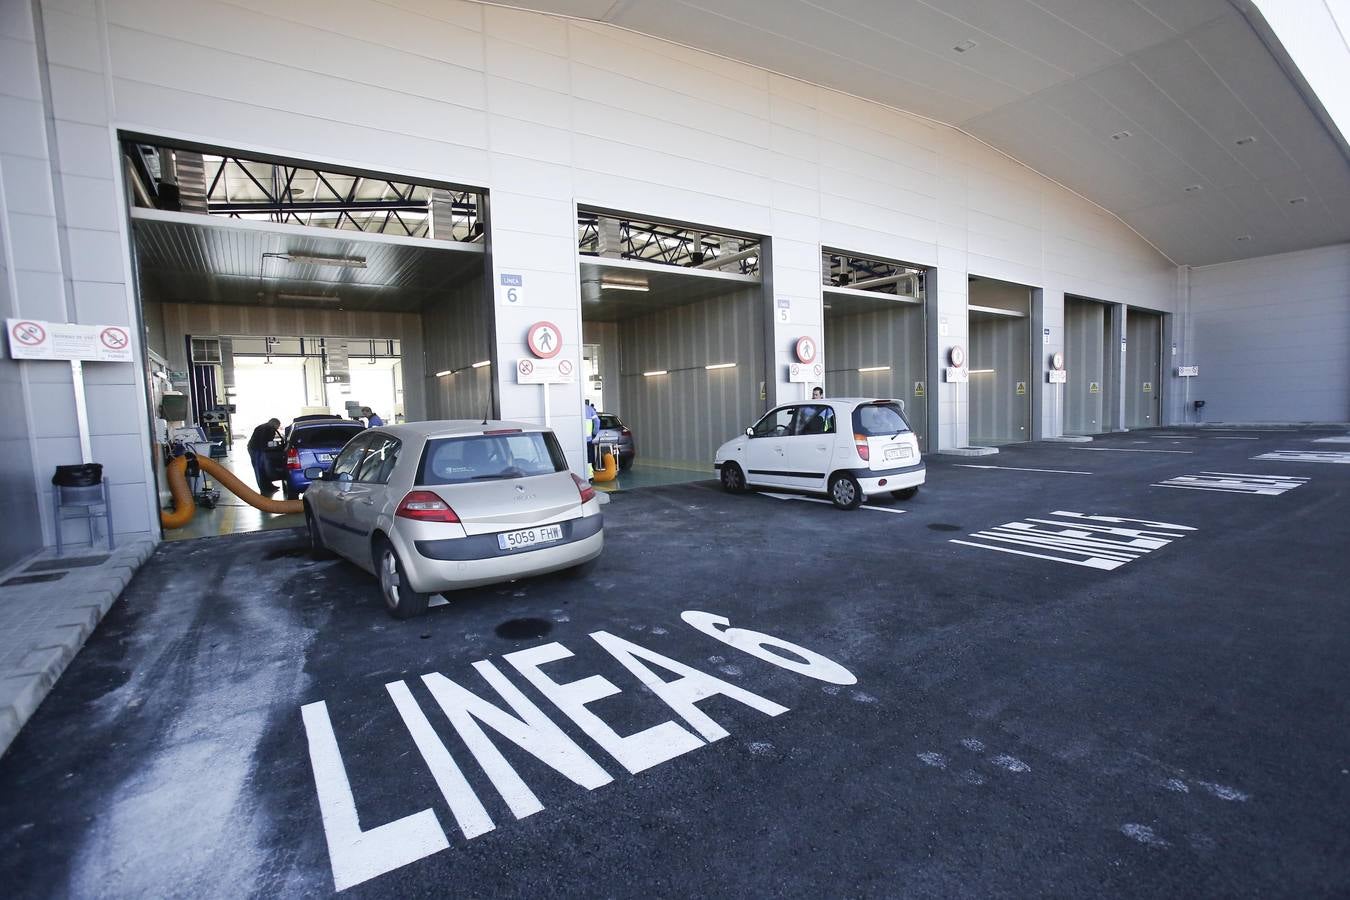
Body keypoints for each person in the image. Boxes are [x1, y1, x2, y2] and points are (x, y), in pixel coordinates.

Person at [246, 418, 281, 494]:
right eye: (277, 426)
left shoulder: (266, 427)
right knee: (259, 469)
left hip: (258, 449)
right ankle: (264, 488)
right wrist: (267, 451)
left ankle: (268, 486)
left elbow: (266, 442)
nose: (278, 428)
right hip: (256, 450)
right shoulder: (267, 429)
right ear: (274, 424)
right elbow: (263, 442)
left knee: (264, 469)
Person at [585, 400, 602, 470]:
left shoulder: (572, 409)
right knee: (589, 458)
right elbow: (597, 421)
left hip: (575, 440)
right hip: (588, 439)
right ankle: (589, 476)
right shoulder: (589, 409)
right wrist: (594, 433)